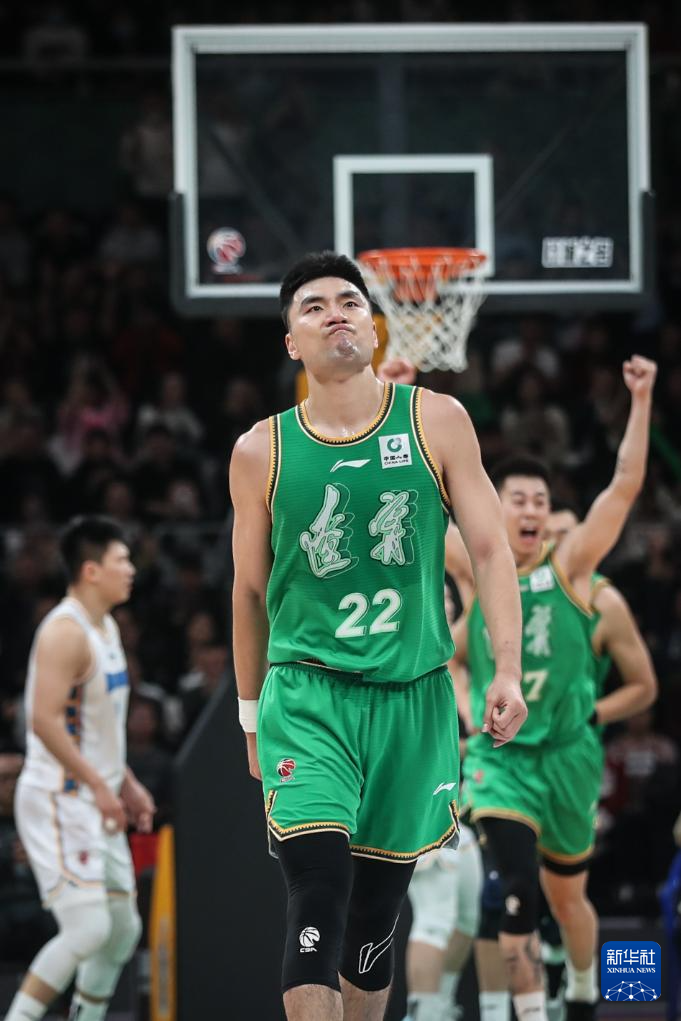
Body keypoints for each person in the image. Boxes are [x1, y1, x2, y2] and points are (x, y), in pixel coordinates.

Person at [229, 251, 527, 1021]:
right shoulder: (261, 450)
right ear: (291, 341)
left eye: (349, 301)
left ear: (372, 322)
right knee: (319, 885)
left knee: (372, 920)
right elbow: (250, 592)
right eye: (314, 306)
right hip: (309, 695)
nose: (335, 312)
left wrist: (506, 669)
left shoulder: (436, 420)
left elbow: (490, 550)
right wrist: (251, 716)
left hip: (413, 697)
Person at [445, 353, 656, 1021]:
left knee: (567, 900)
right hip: (501, 758)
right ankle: (531, 1012)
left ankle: (584, 993)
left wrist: (640, 400)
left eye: (540, 501)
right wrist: (466, 709)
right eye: (518, 500)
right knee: (515, 893)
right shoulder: (476, 570)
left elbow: (623, 485)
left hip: (567, 755)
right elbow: (420, 503)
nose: (531, 510)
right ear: (496, 509)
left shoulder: (574, 570)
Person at [6, 515, 156, 1021]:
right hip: (60, 798)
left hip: (97, 797)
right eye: (121, 560)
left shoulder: (106, 627)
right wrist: (99, 786)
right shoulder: (64, 632)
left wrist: (126, 783)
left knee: (122, 931)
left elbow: (98, 727)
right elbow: (43, 721)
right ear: (91, 571)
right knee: (88, 929)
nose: (131, 569)